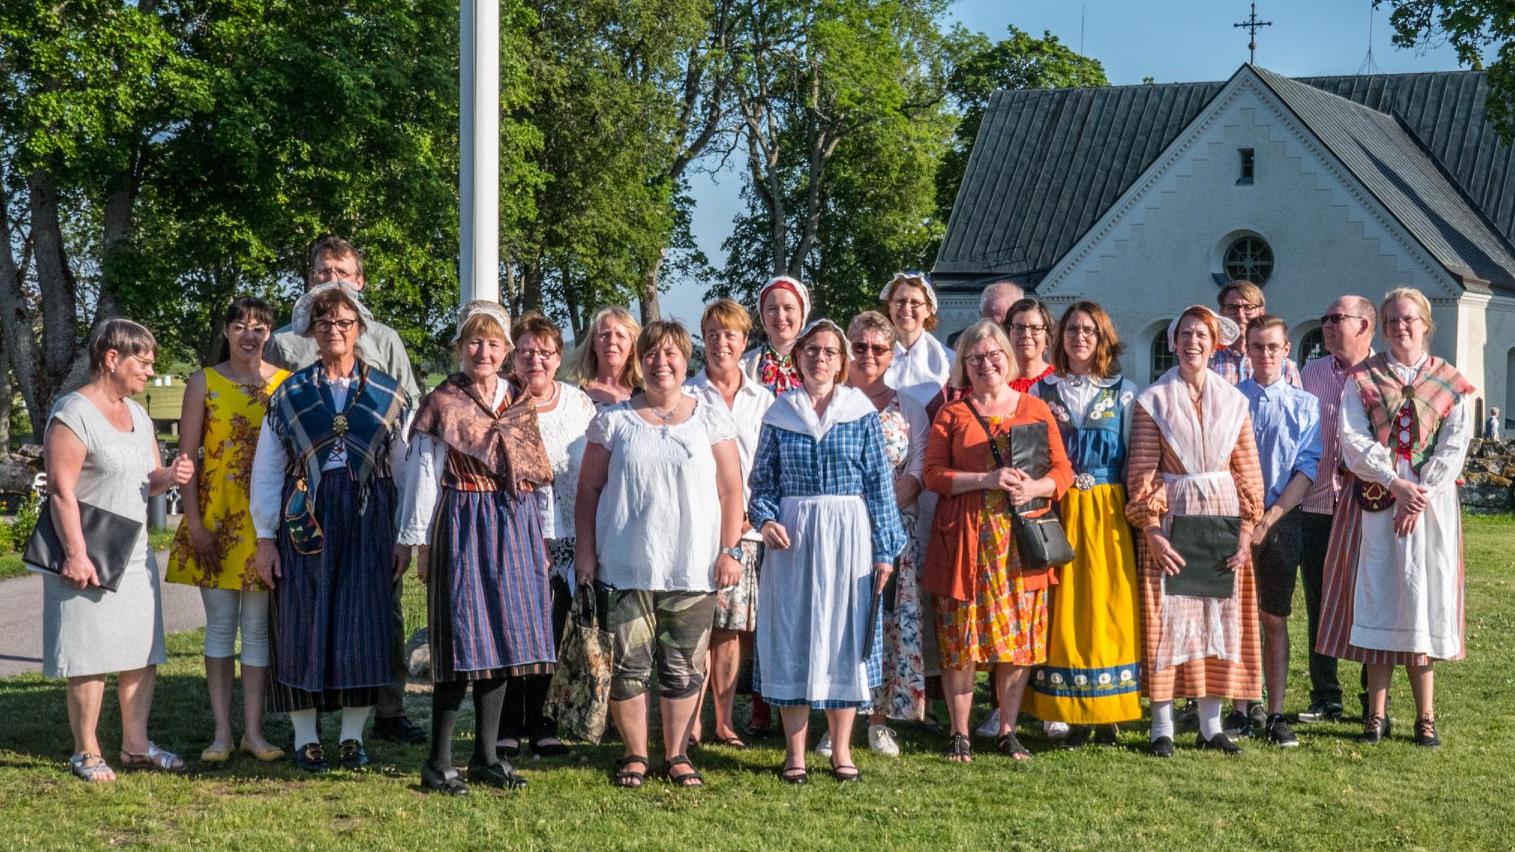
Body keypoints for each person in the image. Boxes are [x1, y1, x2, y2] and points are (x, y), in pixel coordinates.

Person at [262, 235, 424, 746]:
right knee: (303, 611)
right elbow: (270, 456)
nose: (334, 328)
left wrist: (406, 529)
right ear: (311, 326)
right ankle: (305, 733)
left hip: (367, 503)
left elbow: (404, 443)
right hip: (306, 504)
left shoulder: (386, 364)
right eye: (325, 321)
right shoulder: (288, 368)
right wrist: (266, 533)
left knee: (367, 611)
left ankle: (365, 725)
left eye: (344, 322)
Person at [575, 320, 746, 788]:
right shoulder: (613, 421)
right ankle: (634, 755)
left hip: (692, 568)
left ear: (684, 359)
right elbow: (588, 491)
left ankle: (676, 755)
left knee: (683, 667)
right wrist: (586, 554)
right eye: (651, 353)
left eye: (671, 353)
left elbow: (732, 490)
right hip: (626, 565)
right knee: (629, 666)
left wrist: (729, 551)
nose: (661, 362)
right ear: (640, 360)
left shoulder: (709, 417)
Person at [398, 301, 556, 795]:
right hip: (463, 520)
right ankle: (437, 762)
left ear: (506, 348)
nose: (482, 351)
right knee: (460, 638)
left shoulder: (520, 398)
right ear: (459, 347)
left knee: (506, 640)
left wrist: (544, 538)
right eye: (473, 341)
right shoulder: (443, 400)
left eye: (492, 342)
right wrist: (417, 539)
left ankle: (486, 756)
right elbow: (424, 473)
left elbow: (535, 471)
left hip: (516, 523)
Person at [749, 319, 907, 784]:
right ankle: (795, 753)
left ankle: (842, 751)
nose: (820, 358)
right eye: (811, 350)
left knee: (843, 636)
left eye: (829, 352)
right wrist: (766, 519)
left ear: (842, 362)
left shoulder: (859, 413)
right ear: (797, 358)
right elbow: (763, 484)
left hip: (849, 537)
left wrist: (885, 551)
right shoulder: (780, 413)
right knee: (794, 633)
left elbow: (880, 485)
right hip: (794, 539)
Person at [1318, 288, 1474, 748]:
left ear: (1426, 324)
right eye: (1391, 321)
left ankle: (1426, 716)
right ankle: (1377, 714)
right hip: (1376, 498)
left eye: (1408, 319)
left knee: (1423, 597)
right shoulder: (1363, 378)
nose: (1400, 327)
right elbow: (1353, 439)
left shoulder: (1450, 381)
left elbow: (1455, 445)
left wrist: (1420, 492)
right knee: (1379, 593)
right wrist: (1396, 484)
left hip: (1430, 504)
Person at [42, 319, 196, 782]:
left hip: (132, 554)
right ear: (112, 358)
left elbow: (150, 480)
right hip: (86, 552)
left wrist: (172, 476)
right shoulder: (72, 413)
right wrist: (74, 552)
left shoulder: (139, 414)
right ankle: (86, 751)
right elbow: (60, 491)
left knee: (139, 651)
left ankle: (135, 745)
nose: (150, 371)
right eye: (143, 362)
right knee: (88, 654)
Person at [924, 319, 1073, 763]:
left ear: (1008, 359)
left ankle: (1008, 729)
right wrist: (984, 479)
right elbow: (933, 475)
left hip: (1021, 542)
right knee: (961, 638)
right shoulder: (952, 414)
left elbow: (1062, 471)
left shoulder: (1035, 409)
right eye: (975, 358)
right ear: (963, 366)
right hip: (968, 542)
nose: (986, 364)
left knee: (1019, 638)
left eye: (994, 356)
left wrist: (1036, 489)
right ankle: (960, 732)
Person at [1126, 306, 1265, 757]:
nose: (1194, 342)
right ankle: (1161, 726)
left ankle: (1211, 725)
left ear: (1215, 341)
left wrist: (1246, 530)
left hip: (1223, 517)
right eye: (1185, 334)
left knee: (1216, 620)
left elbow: (1247, 470)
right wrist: (1150, 528)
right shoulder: (1154, 400)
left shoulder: (1234, 401)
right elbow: (1143, 470)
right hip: (1173, 518)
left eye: (1202, 334)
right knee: (1168, 621)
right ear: (1173, 341)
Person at [165, 298, 290, 764]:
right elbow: (188, 460)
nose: (249, 335)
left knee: (257, 630)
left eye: (259, 327)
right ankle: (221, 732)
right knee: (219, 628)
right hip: (216, 520)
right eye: (240, 326)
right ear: (226, 330)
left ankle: (254, 732)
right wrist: (193, 522)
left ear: (270, 334)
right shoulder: (204, 382)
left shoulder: (285, 384)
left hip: (264, 525)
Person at [1023, 302, 1143, 748]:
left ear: (1103, 338)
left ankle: (1108, 709)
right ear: (1061, 337)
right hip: (1058, 507)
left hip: (1107, 509)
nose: (1080, 337)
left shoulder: (1125, 392)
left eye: (1090, 330)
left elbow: (1133, 455)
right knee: (1062, 606)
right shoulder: (1041, 391)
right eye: (1073, 328)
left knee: (1108, 603)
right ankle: (1064, 708)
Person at [498, 311, 595, 759]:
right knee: (514, 629)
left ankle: (544, 722)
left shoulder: (579, 404)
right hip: (517, 531)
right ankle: (507, 723)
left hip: (571, 533)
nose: (535, 359)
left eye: (545, 352)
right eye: (526, 351)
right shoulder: (503, 401)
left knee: (553, 631)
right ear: (513, 357)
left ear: (559, 358)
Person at [685, 299, 774, 750]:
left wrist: (749, 516)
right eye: (714, 334)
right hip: (701, 526)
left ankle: (724, 720)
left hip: (747, 529)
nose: (722, 343)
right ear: (704, 339)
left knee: (731, 630)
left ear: (745, 342)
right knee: (697, 626)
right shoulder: (687, 394)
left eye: (731, 335)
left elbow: (768, 465)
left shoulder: (765, 400)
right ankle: (690, 722)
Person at [1232, 315, 1321, 748]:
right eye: (1257, 347)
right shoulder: (1231, 400)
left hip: (1283, 519)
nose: (1265, 355)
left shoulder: (1305, 405)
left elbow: (1307, 468)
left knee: (1274, 616)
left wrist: (1270, 518)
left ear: (1287, 351)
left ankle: (1276, 711)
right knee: (1235, 616)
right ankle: (1240, 705)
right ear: (1245, 351)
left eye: (1273, 347)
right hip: (1234, 521)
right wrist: (1247, 520)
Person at [844, 311, 930, 757]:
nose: (869, 356)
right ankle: (836, 720)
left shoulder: (909, 407)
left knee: (888, 625)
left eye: (879, 348)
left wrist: (882, 507)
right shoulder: (834, 401)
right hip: (842, 533)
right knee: (841, 622)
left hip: (895, 532)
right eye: (860, 347)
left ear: (892, 354)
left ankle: (878, 721)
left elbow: (917, 470)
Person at [977, 296, 1060, 740]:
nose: (1025, 336)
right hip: (994, 514)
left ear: (1047, 334)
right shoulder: (991, 381)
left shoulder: (1056, 387)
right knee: (999, 612)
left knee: (1041, 613)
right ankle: (1000, 706)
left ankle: (1048, 700)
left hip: (1048, 507)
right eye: (1017, 327)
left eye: (1034, 328)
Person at [1296, 295, 1377, 723]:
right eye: (1325, 317)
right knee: (1319, 601)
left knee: (1368, 600)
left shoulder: (1382, 376)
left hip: (1368, 508)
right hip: (1317, 505)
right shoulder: (1311, 373)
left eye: (1336, 318)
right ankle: (1325, 696)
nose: (1326, 325)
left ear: (1364, 326)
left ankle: (1372, 701)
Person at [880, 271, 954, 410]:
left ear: (928, 310)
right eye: (900, 301)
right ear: (890, 306)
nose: (906, 308)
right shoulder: (873, 355)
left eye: (915, 303)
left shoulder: (948, 361)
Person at [1209, 280, 1302, 388]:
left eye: (1248, 308)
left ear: (1261, 312)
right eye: (1232, 308)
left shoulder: (1284, 366)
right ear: (1221, 312)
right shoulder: (1208, 361)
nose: (1241, 315)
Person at [740, 275, 811, 395]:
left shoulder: (817, 361)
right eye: (772, 309)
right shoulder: (745, 365)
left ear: (802, 313)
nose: (780, 317)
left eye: (788, 308)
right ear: (763, 316)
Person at [575, 307, 643, 407]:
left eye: (620, 335)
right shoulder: (573, 395)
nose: (612, 341)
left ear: (632, 347)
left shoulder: (645, 398)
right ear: (593, 344)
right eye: (604, 334)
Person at [945, 280, 1024, 350]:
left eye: (1003, 323)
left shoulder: (1029, 342)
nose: (996, 331)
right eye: (988, 321)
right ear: (981, 314)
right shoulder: (959, 344)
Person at [1005, 298, 1056, 393]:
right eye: (1019, 328)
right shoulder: (997, 383)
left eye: (1035, 328)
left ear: (1047, 336)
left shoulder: (1059, 380)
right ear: (1008, 334)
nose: (1026, 334)